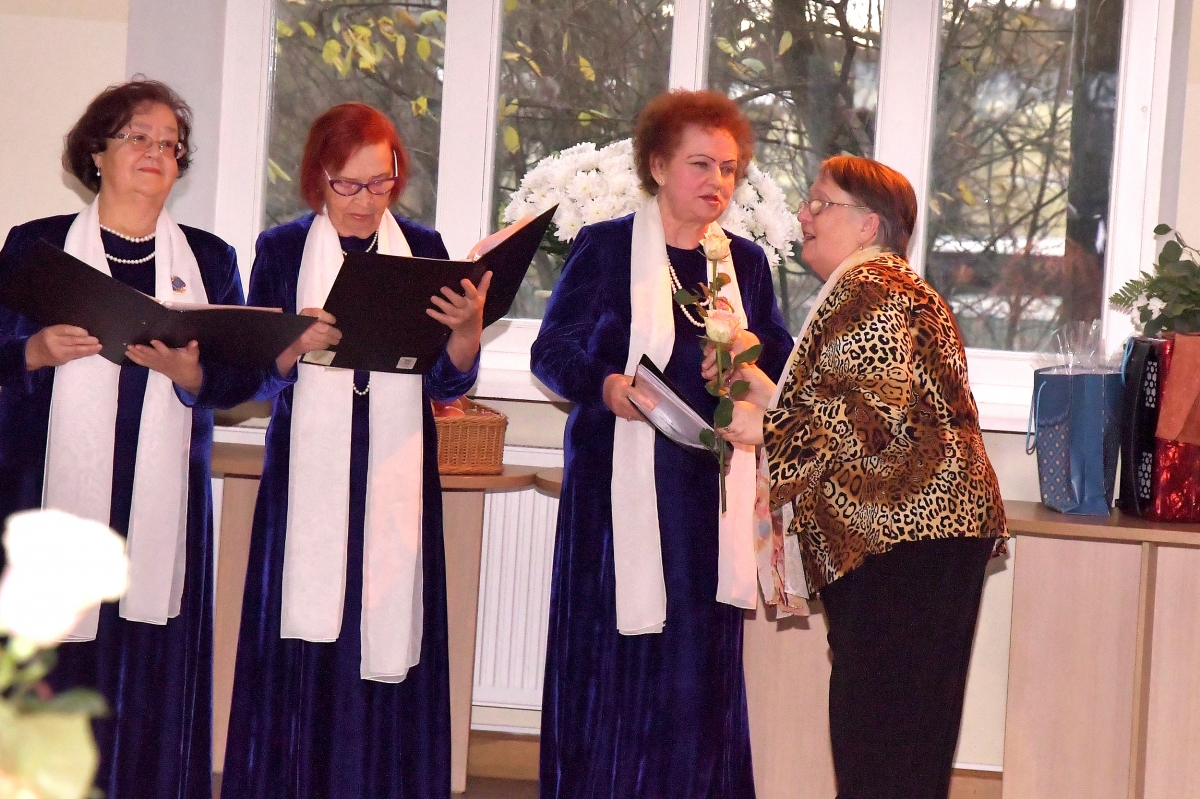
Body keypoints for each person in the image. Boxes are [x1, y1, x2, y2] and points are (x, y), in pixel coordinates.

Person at [715, 155, 1008, 799]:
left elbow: (871, 414)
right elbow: (855, 404)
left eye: (821, 203)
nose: (804, 215)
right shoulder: (881, 284)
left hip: (902, 542)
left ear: (868, 224)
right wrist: (759, 387)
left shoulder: (870, 285)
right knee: (901, 741)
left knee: (881, 742)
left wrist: (767, 429)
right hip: (917, 540)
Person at [530, 90, 794, 799]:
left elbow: (781, 361)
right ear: (656, 165)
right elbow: (551, 351)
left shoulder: (745, 263)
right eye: (700, 164)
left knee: (692, 668)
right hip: (615, 493)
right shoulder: (605, 247)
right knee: (617, 657)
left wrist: (745, 355)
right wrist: (606, 385)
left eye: (729, 168)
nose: (718, 181)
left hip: (707, 496)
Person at [221, 103, 488, 799]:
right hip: (306, 477)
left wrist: (467, 331)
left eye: (381, 182)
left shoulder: (423, 245)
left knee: (390, 632)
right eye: (348, 185)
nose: (367, 201)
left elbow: (448, 381)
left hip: (397, 469)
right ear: (318, 178)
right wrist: (292, 343)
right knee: (307, 643)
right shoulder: (282, 249)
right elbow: (253, 376)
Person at [0, 79, 259, 799]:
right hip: (48, 496)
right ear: (97, 152)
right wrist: (32, 352)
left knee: (150, 674)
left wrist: (193, 373)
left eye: (169, 143)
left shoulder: (209, 258)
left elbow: (244, 375)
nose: (156, 152)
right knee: (53, 676)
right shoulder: (36, 245)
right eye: (137, 137)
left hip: (161, 506)